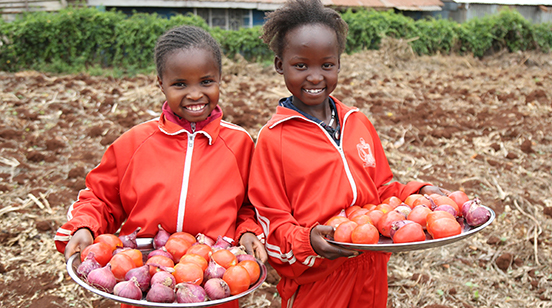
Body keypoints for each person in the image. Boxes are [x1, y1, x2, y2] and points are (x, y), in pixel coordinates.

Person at [248, 1, 449, 307]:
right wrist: (307, 242)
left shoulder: (358, 121)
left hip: (371, 268)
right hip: (318, 280)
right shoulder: (273, 138)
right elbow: (271, 221)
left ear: (339, 64)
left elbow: (381, 191)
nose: (315, 77)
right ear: (280, 65)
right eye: (301, 65)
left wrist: (418, 192)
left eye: (326, 65)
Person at [54, 25, 267, 308]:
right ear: (160, 83)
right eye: (180, 84)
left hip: (213, 285)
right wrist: (85, 227)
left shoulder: (239, 144)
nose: (195, 94)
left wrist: (248, 232)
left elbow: (250, 205)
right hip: (144, 283)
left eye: (206, 82)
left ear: (219, 80)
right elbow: (101, 197)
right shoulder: (134, 142)